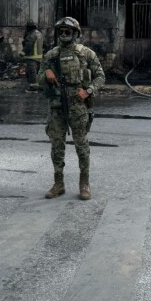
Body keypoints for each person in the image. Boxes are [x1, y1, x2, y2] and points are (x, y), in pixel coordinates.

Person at [38, 17, 105, 201]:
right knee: (56, 145)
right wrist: (46, 74)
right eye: (61, 31)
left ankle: (84, 184)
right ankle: (58, 183)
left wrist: (88, 90)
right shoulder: (51, 55)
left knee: (81, 145)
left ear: (76, 34)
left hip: (78, 106)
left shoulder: (86, 54)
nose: (64, 34)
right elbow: (39, 80)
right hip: (57, 107)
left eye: (68, 31)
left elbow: (100, 76)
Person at [22, 20, 43, 92]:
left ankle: (33, 88)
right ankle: (39, 86)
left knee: (31, 72)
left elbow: (28, 46)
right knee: (37, 72)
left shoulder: (31, 35)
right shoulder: (39, 33)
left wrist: (22, 53)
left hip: (32, 57)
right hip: (38, 57)